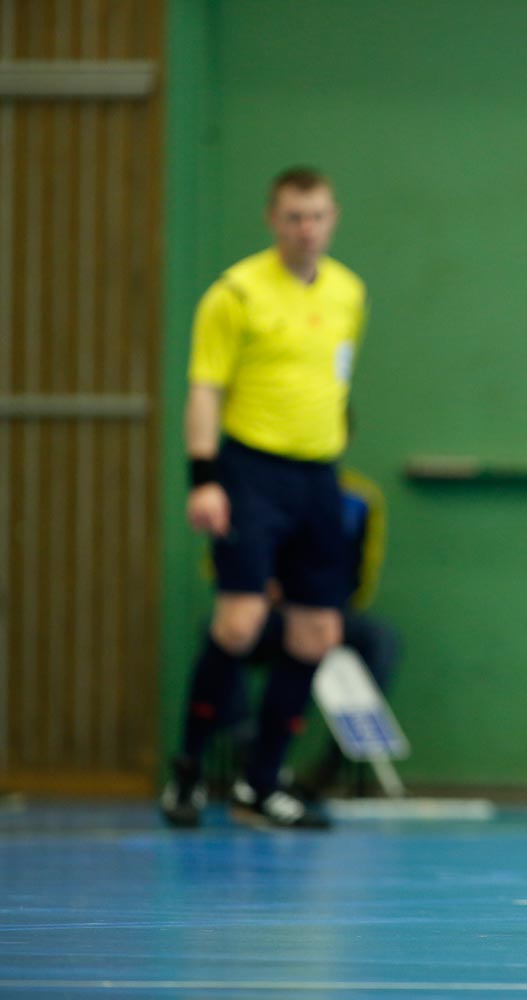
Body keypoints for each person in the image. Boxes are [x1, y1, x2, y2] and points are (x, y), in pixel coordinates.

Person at [159, 166, 367, 830]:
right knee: (239, 624)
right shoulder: (235, 294)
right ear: (272, 221)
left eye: (318, 216)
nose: (307, 230)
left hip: (317, 476)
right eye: (293, 217)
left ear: (334, 218)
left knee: (317, 633)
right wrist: (205, 478)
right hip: (249, 472)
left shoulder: (348, 292)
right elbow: (204, 389)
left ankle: (260, 782)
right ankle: (188, 771)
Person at [216, 464, 401, 802]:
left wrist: (323, 601)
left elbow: (361, 569)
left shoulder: (358, 497)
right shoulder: (252, 490)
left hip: (323, 606)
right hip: (268, 610)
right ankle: (248, 745)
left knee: (379, 639)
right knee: (228, 635)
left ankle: (331, 766)